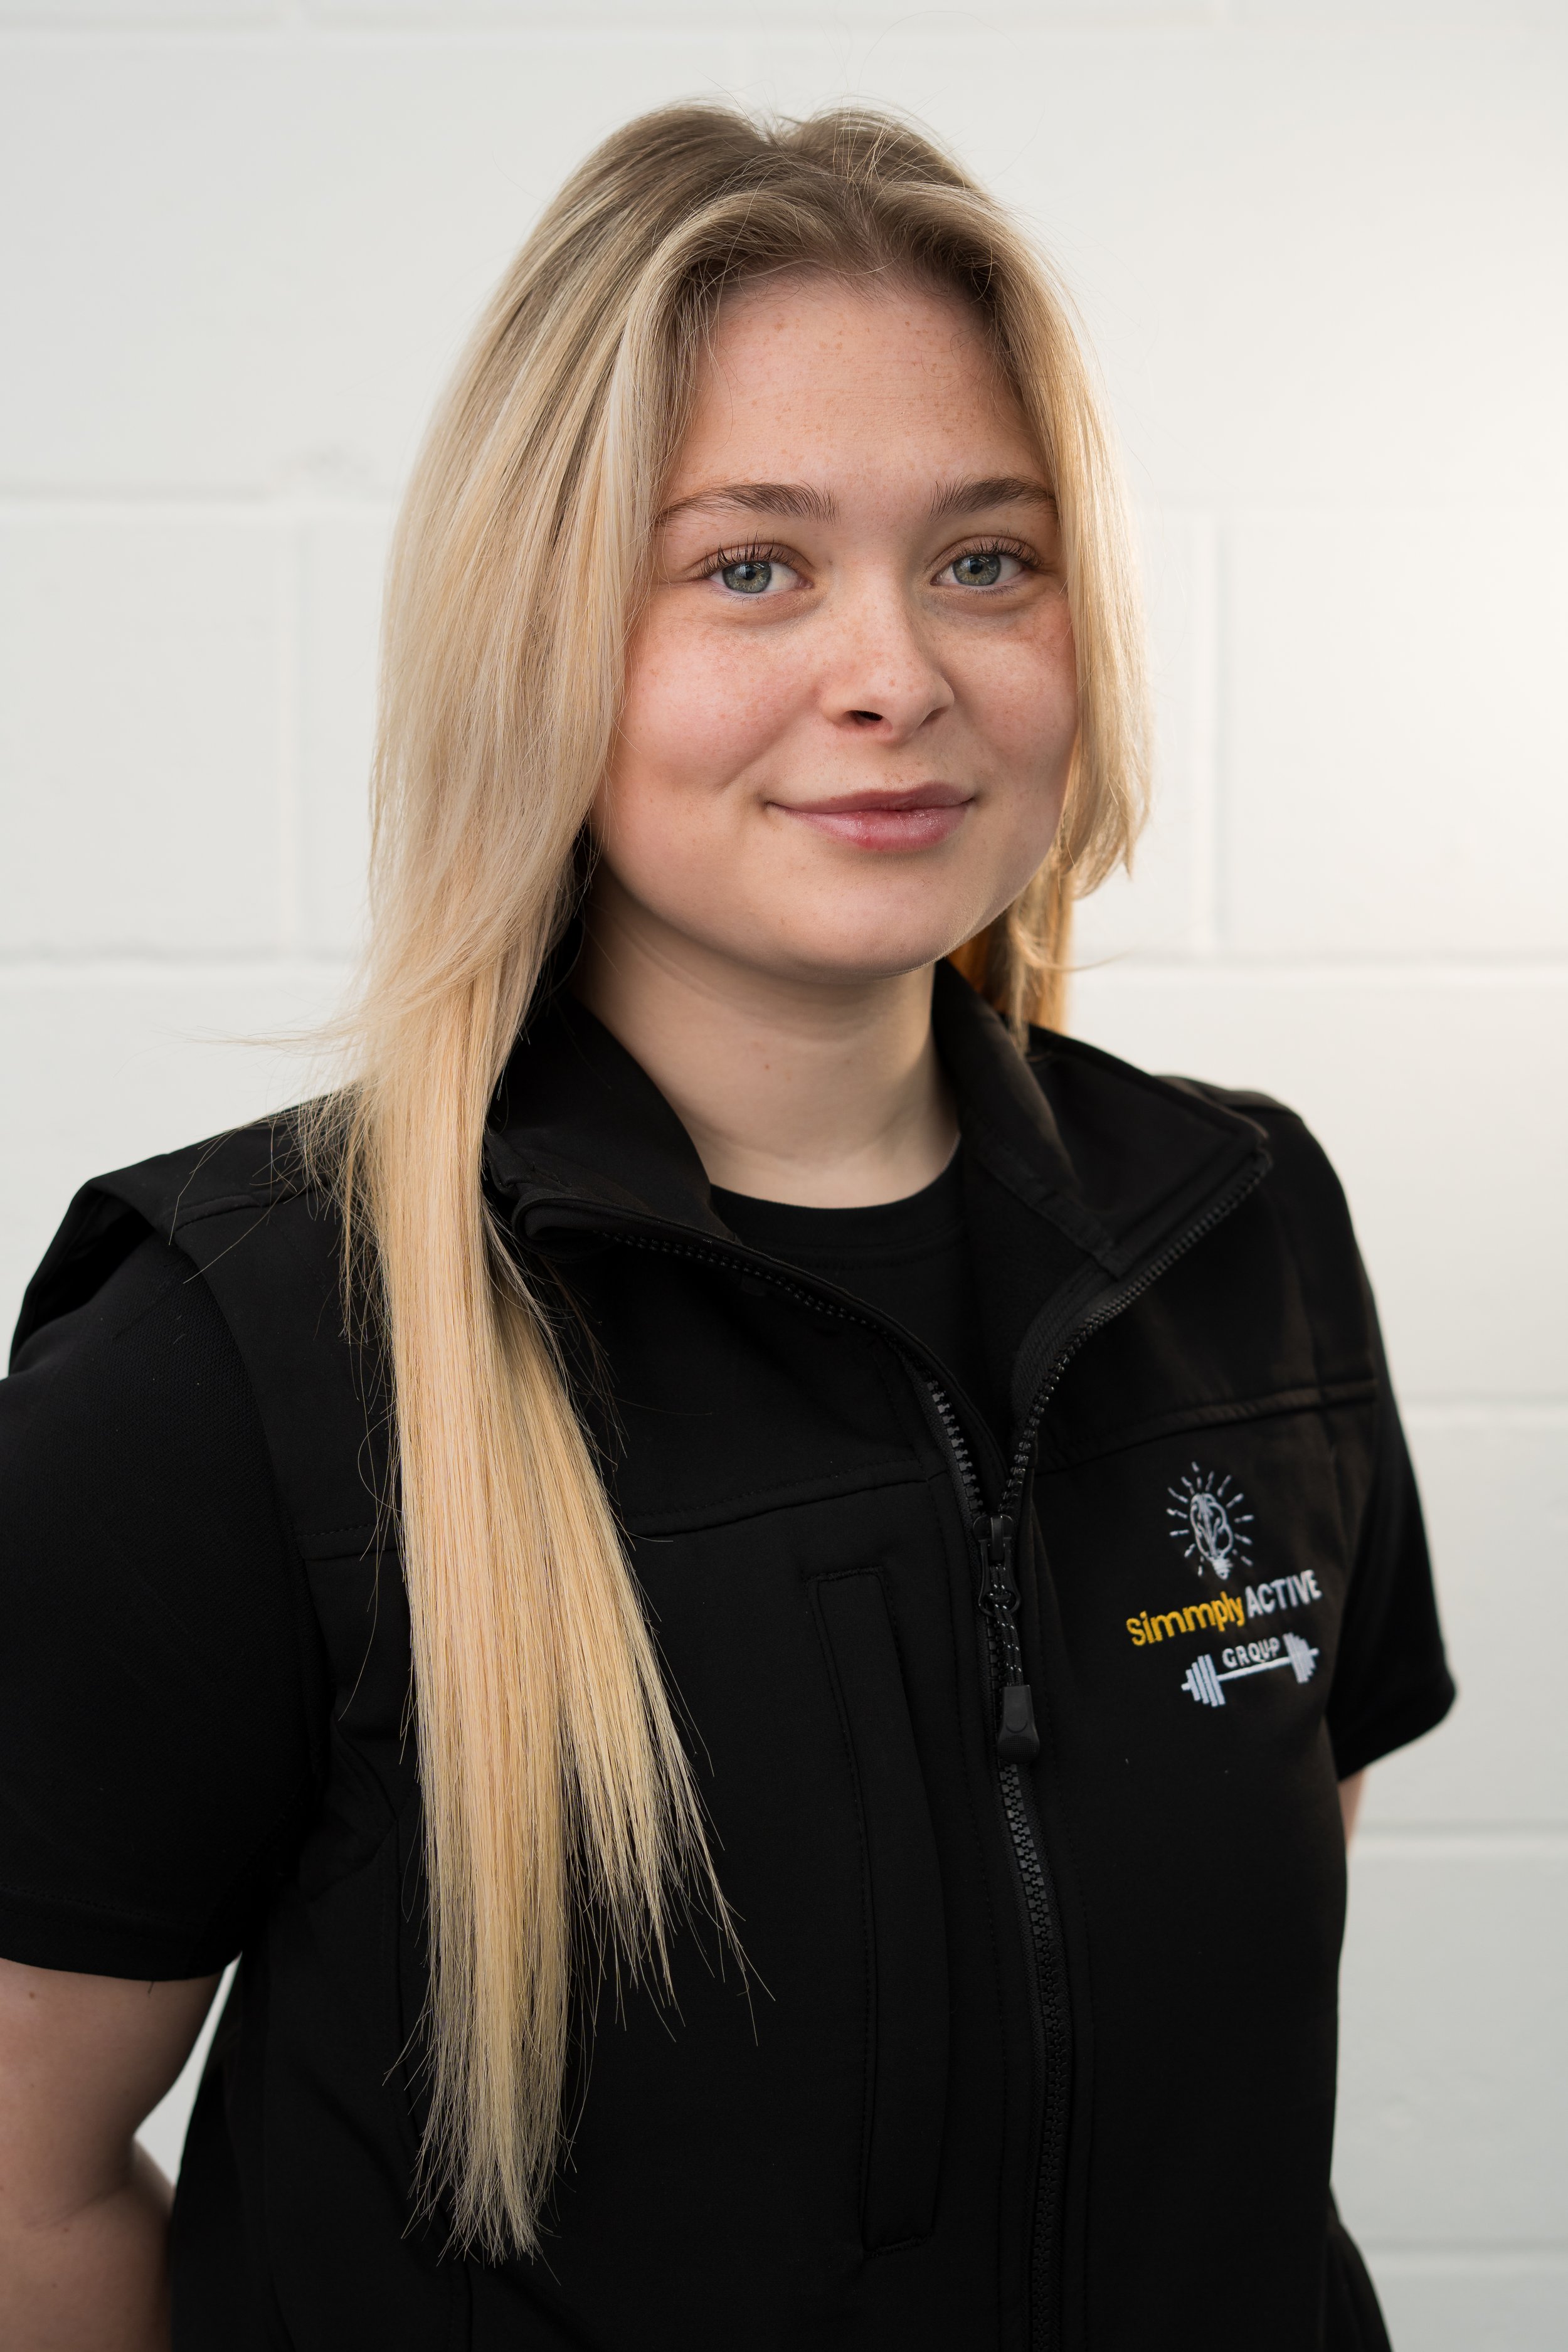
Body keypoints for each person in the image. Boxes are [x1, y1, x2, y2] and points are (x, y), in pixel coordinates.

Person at [0, 104, 1454, 2352]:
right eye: (750, 568)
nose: (896, 671)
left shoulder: (1237, 1232)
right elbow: (25, 2192)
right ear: (540, 631)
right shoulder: (232, 1354)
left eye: (985, 557)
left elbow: (1212, 2099)